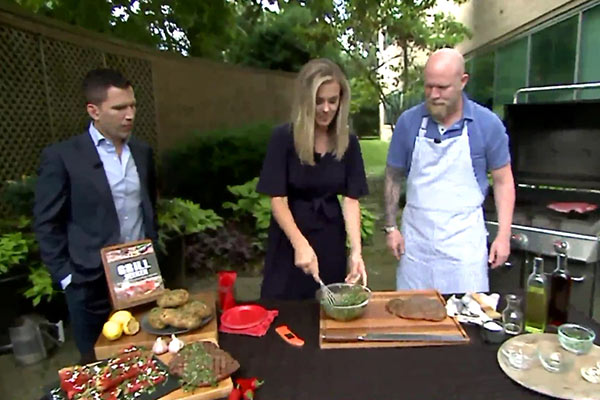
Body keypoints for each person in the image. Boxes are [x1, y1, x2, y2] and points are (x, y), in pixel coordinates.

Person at [33, 68, 157, 363]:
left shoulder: (142, 151)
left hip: (140, 276)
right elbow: (46, 222)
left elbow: (150, 203)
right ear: (94, 111)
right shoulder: (63, 156)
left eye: (133, 106)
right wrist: (66, 277)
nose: (130, 115)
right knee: (98, 363)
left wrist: (153, 246)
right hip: (89, 282)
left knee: (149, 356)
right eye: (119, 108)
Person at [384, 48, 515, 294]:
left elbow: (503, 181)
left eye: (442, 88)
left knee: (467, 322)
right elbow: (393, 176)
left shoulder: (487, 125)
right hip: (416, 245)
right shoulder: (408, 123)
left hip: (463, 246)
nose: (434, 95)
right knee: (413, 320)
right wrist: (391, 227)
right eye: (428, 87)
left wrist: (503, 235)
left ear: (462, 82)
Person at [257, 58, 369, 300]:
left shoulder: (348, 142)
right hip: (289, 238)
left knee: (327, 308)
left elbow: (351, 199)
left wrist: (356, 252)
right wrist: (300, 244)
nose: (326, 109)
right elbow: (277, 199)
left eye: (333, 101)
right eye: (318, 101)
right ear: (305, 101)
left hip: (330, 237)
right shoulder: (283, 138)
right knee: (283, 309)